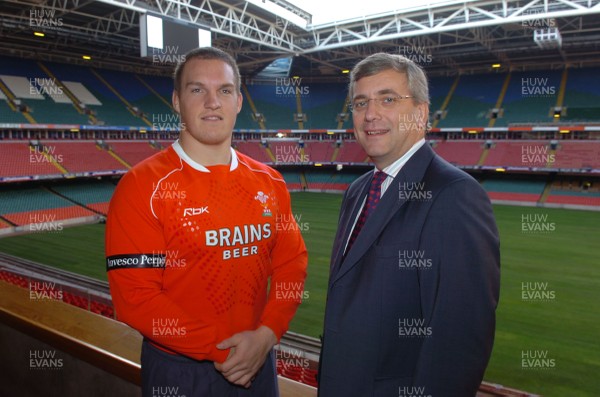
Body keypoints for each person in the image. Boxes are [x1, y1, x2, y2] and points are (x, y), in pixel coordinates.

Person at [105, 47, 307, 397]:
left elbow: (292, 265)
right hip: (180, 371)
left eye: (224, 90)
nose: (213, 101)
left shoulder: (270, 181)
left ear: (239, 101)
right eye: (197, 89)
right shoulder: (141, 186)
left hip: (258, 359)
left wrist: (267, 334)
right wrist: (225, 350)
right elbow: (135, 298)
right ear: (177, 101)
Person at [318, 53, 500, 396]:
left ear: (420, 112)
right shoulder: (358, 192)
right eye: (360, 103)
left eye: (387, 99)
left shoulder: (454, 195)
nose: (370, 114)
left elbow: (459, 340)